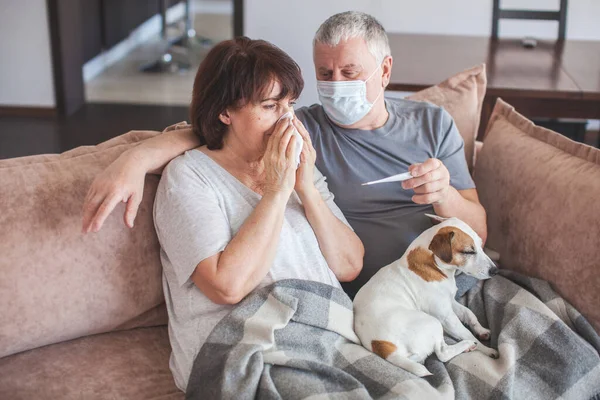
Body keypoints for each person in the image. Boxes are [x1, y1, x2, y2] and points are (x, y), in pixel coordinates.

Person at [82, 11, 486, 298]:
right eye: (324, 74)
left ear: (384, 71)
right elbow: (219, 131)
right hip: (378, 297)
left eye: (350, 72)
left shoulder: (432, 122)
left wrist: (444, 193)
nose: (335, 84)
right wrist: (134, 158)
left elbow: (479, 231)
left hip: (452, 280)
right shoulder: (299, 131)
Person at [145, 37, 363, 391]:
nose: (287, 121)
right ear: (225, 111)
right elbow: (226, 286)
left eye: (290, 104)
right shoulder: (188, 177)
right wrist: (277, 191)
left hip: (328, 333)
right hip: (243, 352)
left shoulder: (300, 169)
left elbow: (350, 265)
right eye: (270, 106)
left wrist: (305, 187)